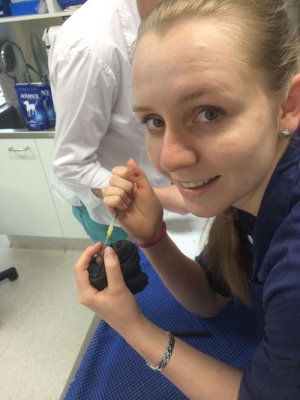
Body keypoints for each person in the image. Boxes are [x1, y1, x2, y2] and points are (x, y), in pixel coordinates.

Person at [74, 0, 300, 399]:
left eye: (208, 113)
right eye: (155, 122)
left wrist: (135, 328)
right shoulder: (253, 191)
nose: (169, 158)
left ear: (288, 104)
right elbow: (212, 298)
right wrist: (152, 236)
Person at [49, 0, 187, 244]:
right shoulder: (89, 48)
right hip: (113, 212)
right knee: (137, 279)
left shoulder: (164, 21)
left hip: (164, 192)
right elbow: (71, 165)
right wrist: (167, 196)